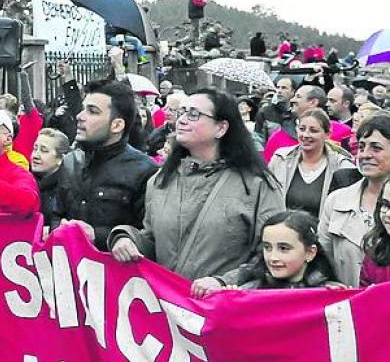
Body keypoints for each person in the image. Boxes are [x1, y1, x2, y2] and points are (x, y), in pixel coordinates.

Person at [109, 88, 284, 293]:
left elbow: (274, 254)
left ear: (221, 128)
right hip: (171, 311)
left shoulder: (257, 185)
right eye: (181, 112)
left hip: (226, 311)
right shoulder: (160, 181)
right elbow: (153, 240)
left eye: (193, 114)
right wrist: (126, 238)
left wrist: (224, 281)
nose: (182, 120)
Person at [318, 113, 390, 286]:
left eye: (376, 148)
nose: (365, 155)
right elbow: (321, 264)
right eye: (362, 147)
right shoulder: (336, 201)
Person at [61, 80, 157, 249]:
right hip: (68, 267)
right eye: (84, 109)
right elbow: (56, 214)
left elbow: (150, 237)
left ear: (117, 125)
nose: (80, 116)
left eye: (92, 111)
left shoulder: (145, 171)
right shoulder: (70, 162)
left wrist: (98, 236)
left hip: (118, 271)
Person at [208, 210, 339, 291]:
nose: (273, 257)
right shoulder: (250, 291)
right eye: (267, 247)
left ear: (310, 252)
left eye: (283, 248)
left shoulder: (331, 292)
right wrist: (230, 301)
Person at [267, 110, 356, 216]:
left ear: (327, 134)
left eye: (313, 131)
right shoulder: (280, 159)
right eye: (302, 129)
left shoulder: (342, 167)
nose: (306, 135)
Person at [29, 128, 75, 230]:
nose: (35, 155)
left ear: (61, 159)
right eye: (35, 148)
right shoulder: (24, 181)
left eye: (44, 151)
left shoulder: (69, 188)